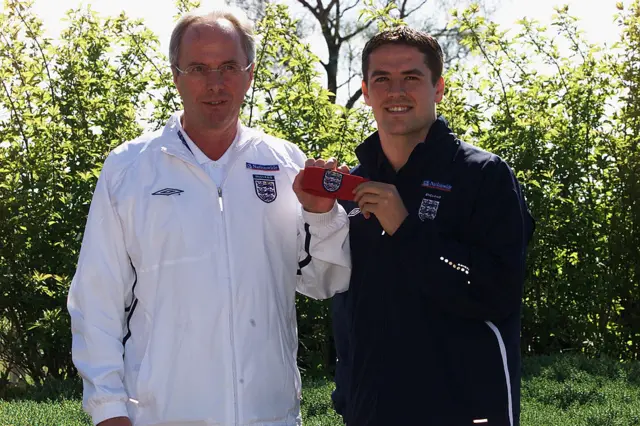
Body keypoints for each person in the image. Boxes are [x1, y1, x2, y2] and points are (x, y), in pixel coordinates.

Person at [67, 6, 351, 426]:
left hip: (269, 416)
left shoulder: (285, 163)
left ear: (250, 74)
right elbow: (97, 298)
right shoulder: (130, 168)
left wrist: (322, 216)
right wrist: (108, 410)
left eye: (229, 67)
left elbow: (324, 282)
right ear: (175, 74)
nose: (215, 83)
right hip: (162, 416)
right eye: (198, 67)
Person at [331, 27, 535, 426]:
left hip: (463, 412)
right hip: (368, 412)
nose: (396, 91)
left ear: (438, 88)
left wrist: (405, 229)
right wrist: (315, 217)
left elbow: (498, 293)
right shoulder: (352, 185)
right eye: (382, 80)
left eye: (411, 77)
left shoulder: (483, 175)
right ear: (366, 92)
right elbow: (335, 293)